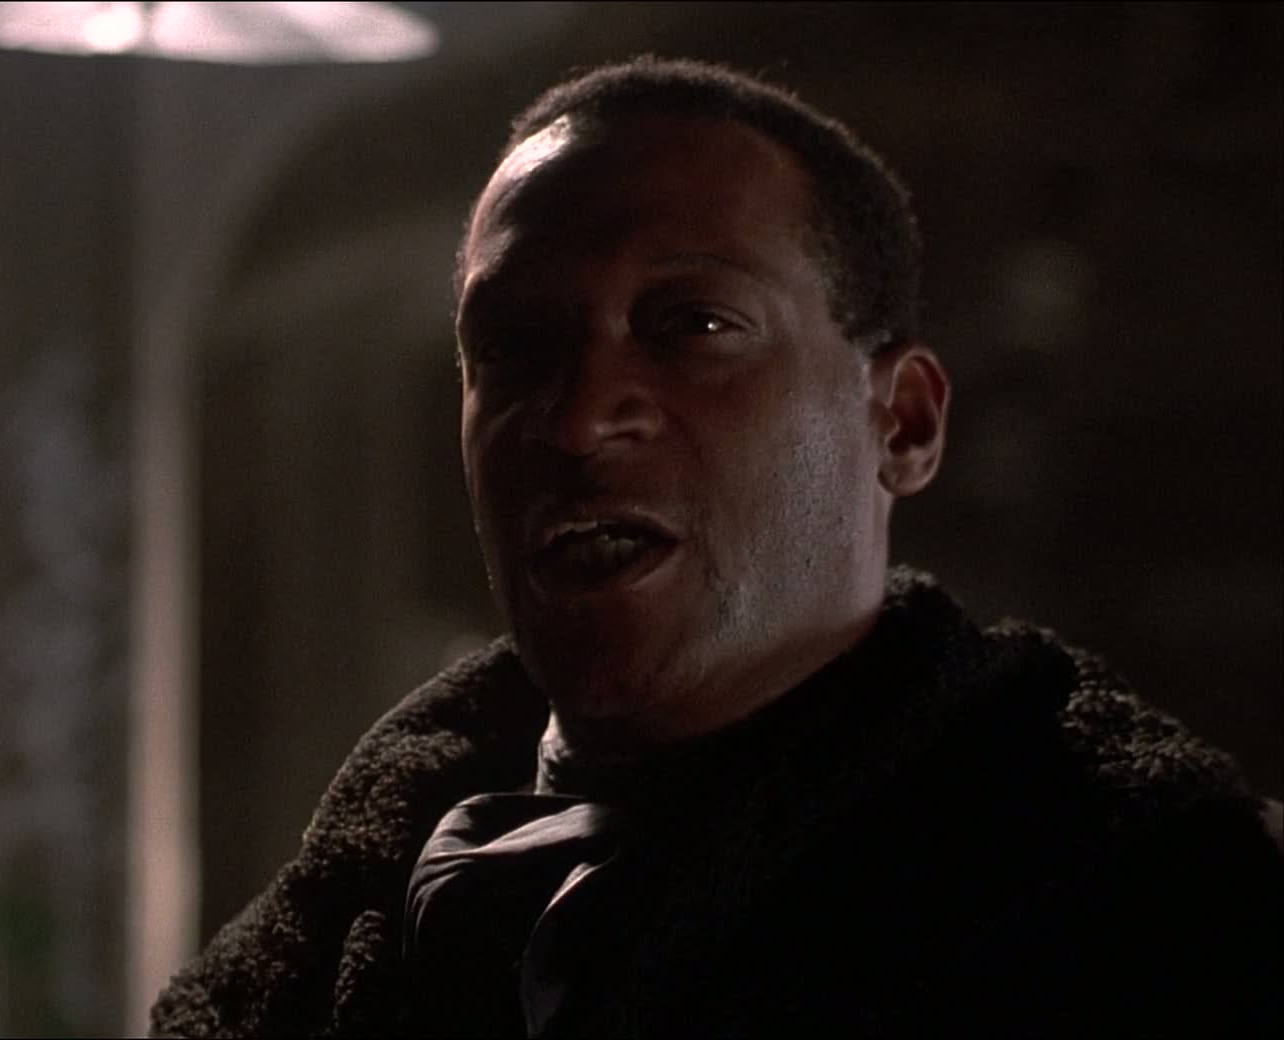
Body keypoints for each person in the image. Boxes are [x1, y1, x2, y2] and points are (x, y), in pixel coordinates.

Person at [148, 55, 1283, 1037]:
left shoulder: (1146, 908)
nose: (579, 417)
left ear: (902, 424)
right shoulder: (349, 924)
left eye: (692, 325)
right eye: (513, 344)